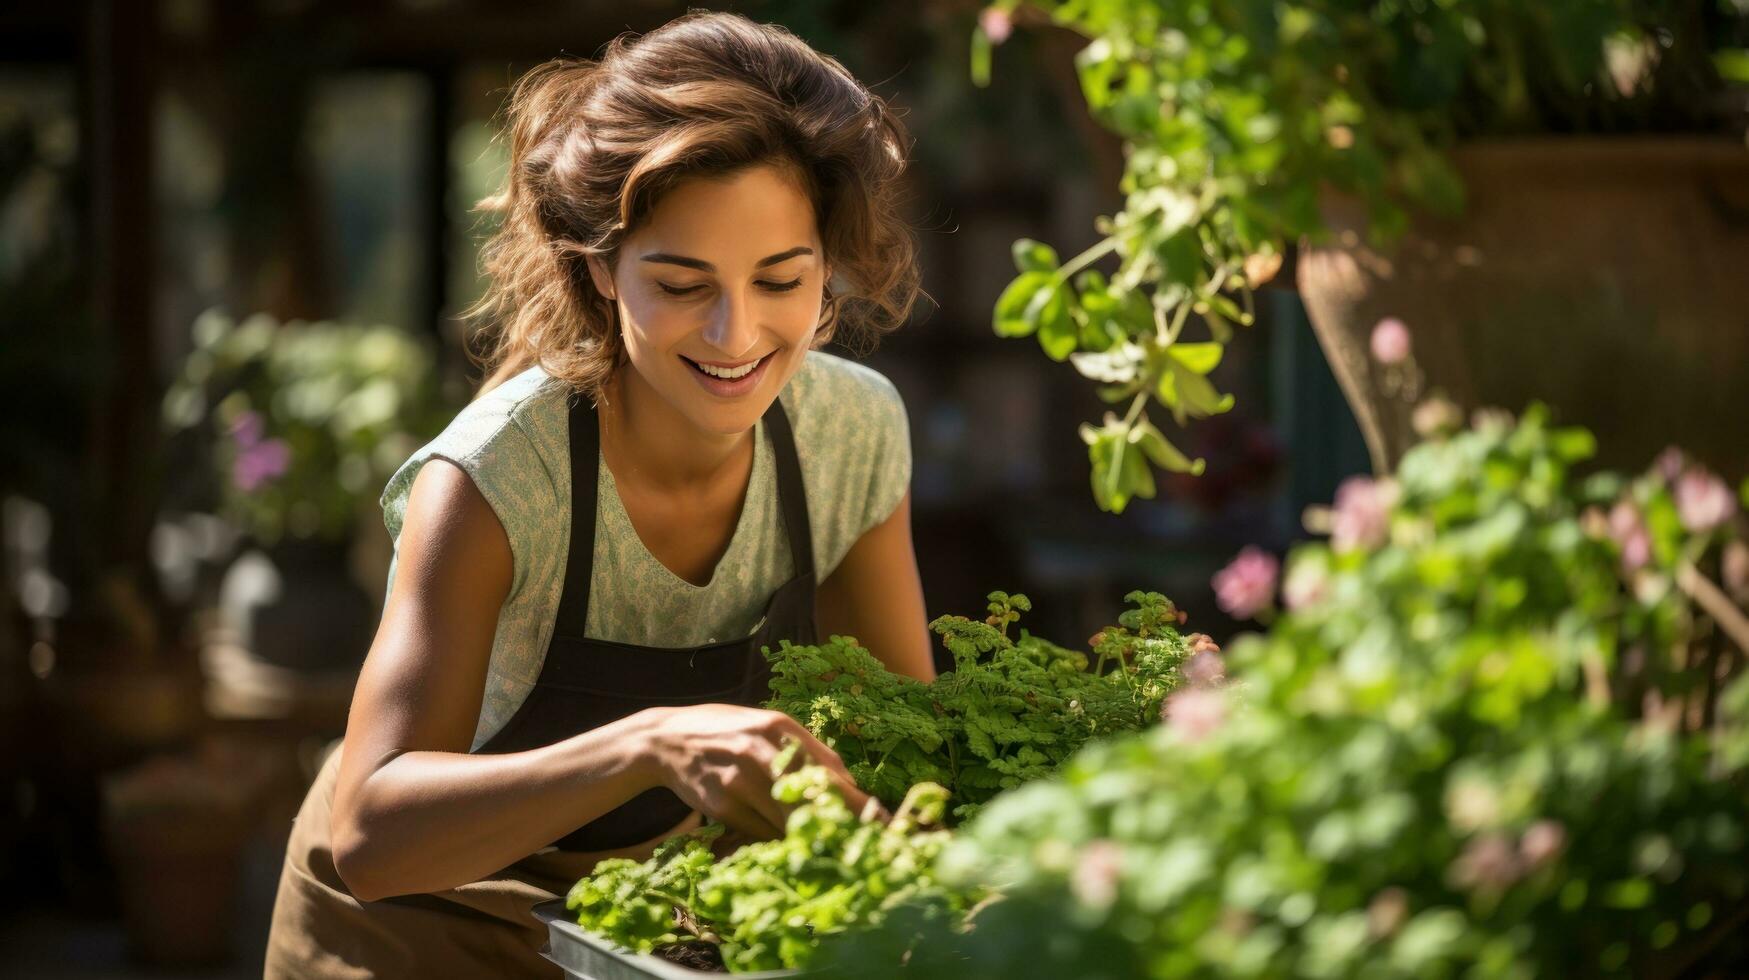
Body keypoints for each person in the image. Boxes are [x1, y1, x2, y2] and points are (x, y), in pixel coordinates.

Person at [263, 11, 933, 977]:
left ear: (827, 270)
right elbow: (373, 834)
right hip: (411, 923)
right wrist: (652, 743)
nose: (734, 333)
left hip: (642, 924)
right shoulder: (498, 477)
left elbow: (901, 743)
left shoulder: (850, 433)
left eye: (780, 278)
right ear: (601, 270)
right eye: (680, 281)